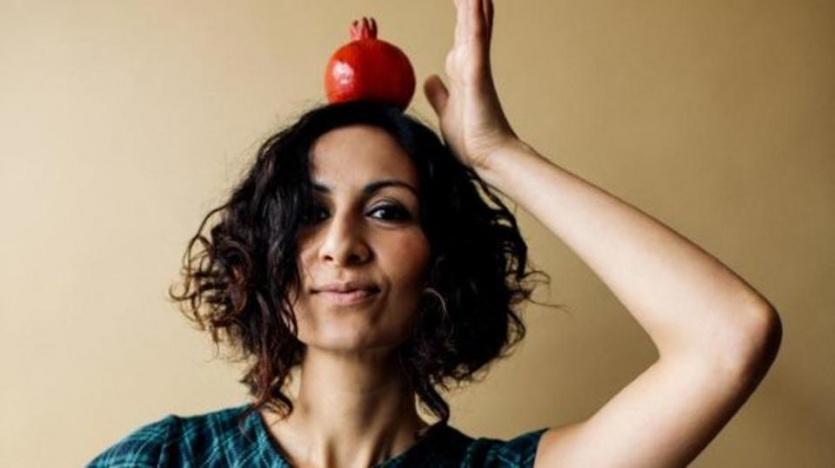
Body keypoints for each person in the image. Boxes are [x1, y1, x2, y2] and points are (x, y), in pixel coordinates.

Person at [88, 0, 782, 467]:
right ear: (262, 256)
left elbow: (729, 336)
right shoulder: (165, 459)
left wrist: (497, 155)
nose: (339, 244)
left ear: (442, 259)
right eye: (308, 213)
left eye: (387, 210)